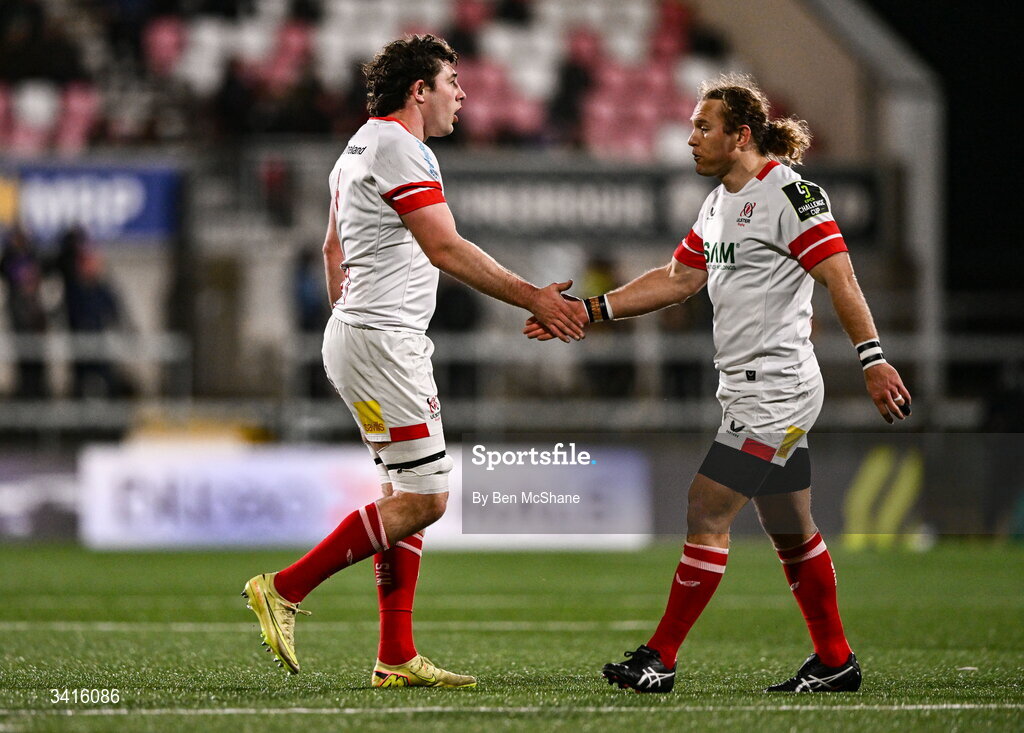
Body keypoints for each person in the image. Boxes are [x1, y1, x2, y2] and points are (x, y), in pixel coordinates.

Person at [525, 73, 912, 693]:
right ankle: (836, 661)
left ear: (742, 135)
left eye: (704, 127)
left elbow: (841, 278)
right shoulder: (718, 203)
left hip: (777, 387)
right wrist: (592, 311)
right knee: (791, 529)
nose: (691, 139)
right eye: (691, 127)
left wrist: (872, 359)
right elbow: (676, 280)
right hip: (747, 386)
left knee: (706, 506)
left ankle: (660, 658)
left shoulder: (792, 194)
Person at [243, 34, 584, 688]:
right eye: (452, 80)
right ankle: (284, 587)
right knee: (426, 499)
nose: (463, 93)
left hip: (365, 336)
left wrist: (356, 314)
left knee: (404, 490)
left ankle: (395, 653)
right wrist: (532, 295)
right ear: (418, 90)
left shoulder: (358, 149)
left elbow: (330, 250)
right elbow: (446, 249)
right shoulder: (403, 149)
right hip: (383, 343)